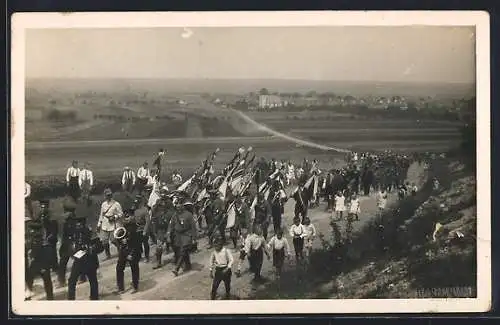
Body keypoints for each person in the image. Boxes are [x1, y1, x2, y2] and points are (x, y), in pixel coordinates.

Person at [67, 216, 102, 300]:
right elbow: (70, 247)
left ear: (83, 224)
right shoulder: (74, 234)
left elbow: (100, 247)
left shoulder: (91, 233)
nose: (78, 226)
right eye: (77, 224)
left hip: (90, 260)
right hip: (78, 261)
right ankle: (71, 300)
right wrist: (73, 254)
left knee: (93, 280)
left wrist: (90, 249)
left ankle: (94, 298)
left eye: (80, 224)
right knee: (72, 281)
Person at [25, 210, 57, 300]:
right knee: (31, 280)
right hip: (36, 263)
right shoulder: (33, 238)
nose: (33, 232)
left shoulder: (40, 240)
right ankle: (29, 297)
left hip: (41, 262)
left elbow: (46, 252)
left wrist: (44, 266)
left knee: (45, 280)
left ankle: (50, 298)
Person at [57, 197, 86, 288]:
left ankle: (82, 277)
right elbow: (63, 234)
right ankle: (62, 281)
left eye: (67, 211)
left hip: (73, 243)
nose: (66, 214)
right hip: (67, 243)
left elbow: (77, 232)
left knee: (78, 259)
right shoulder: (66, 220)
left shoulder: (72, 220)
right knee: (63, 262)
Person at [114, 208, 142, 294]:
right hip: (124, 251)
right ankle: (121, 288)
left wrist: (131, 254)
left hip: (134, 251)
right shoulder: (123, 228)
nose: (126, 218)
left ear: (132, 217)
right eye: (125, 216)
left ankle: (135, 286)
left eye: (128, 216)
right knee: (119, 268)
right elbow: (118, 239)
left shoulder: (136, 228)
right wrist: (120, 242)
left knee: (134, 268)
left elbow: (137, 244)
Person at [169, 200, 198, 276]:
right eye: (177, 205)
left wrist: (194, 238)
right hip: (178, 236)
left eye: (180, 205)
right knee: (181, 251)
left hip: (186, 234)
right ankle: (188, 265)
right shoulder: (175, 215)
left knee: (183, 250)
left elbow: (193, 227)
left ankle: (176, 268)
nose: (178, 207)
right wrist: (168, 234)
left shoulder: (188, 215)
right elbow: (171, 226)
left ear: (183, 206)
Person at [151, 191, 175, 269]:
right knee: (159, 246)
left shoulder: (169, 204)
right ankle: (158, 262)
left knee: (175, 245)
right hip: (160, 230)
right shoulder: (157, 205)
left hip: (169, 227)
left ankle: (178, 257)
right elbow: (153, 214)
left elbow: (173, 215)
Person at [97, 188, 124, 260]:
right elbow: (101, 215)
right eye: (107, 195)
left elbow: (121, 213)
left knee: (114, 240)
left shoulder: (116, 204)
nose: (108, 196)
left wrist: (115, 217)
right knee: (104, 241)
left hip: (113, 224)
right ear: (105, 196)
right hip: (105, 224)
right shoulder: (103, 204)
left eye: (109, 195)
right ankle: (108, 255)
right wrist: (99, 224)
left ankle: (121, 251)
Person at [133, 195, 151, 263]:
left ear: (140, 202)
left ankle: (147, 256)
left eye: (137, 202)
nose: (136, 204)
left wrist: (145, 230)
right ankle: (139, 256)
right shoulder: (135, 210)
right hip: (137, 228)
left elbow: (148, 221)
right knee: (138, 243)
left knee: (145, 243)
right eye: (135, 203)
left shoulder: (145, 210)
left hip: (143, 228)